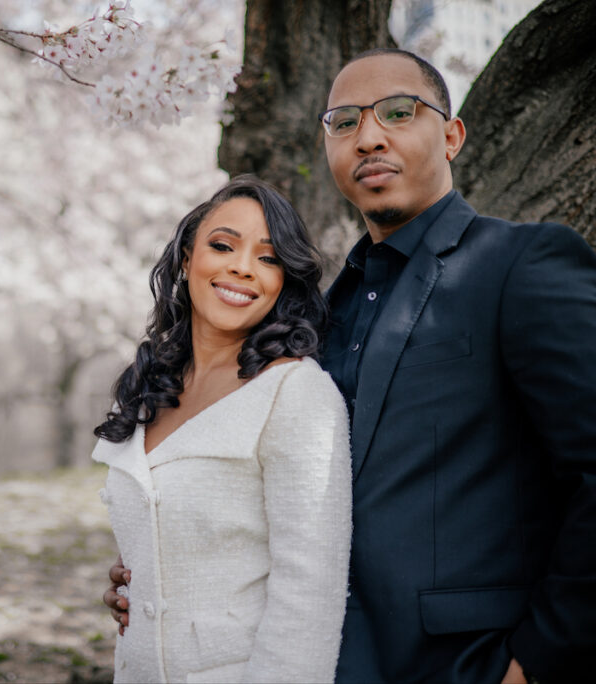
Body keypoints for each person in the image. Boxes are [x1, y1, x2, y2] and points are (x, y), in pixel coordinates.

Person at [105, 48, 596, 683]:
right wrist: (161, 575)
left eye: (398, 112)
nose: (368, 137)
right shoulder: (321, 313)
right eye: (344, 122)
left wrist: (536, 661)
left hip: (468, 663)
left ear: (451, 136)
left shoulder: (520, 265)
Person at [92, 175, 352, 683]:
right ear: (187, 257)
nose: (242, 267)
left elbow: (310, 598)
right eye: (223, 245)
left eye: (268, 257)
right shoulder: (153, 385)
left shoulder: (295, 394)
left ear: (284, 282)